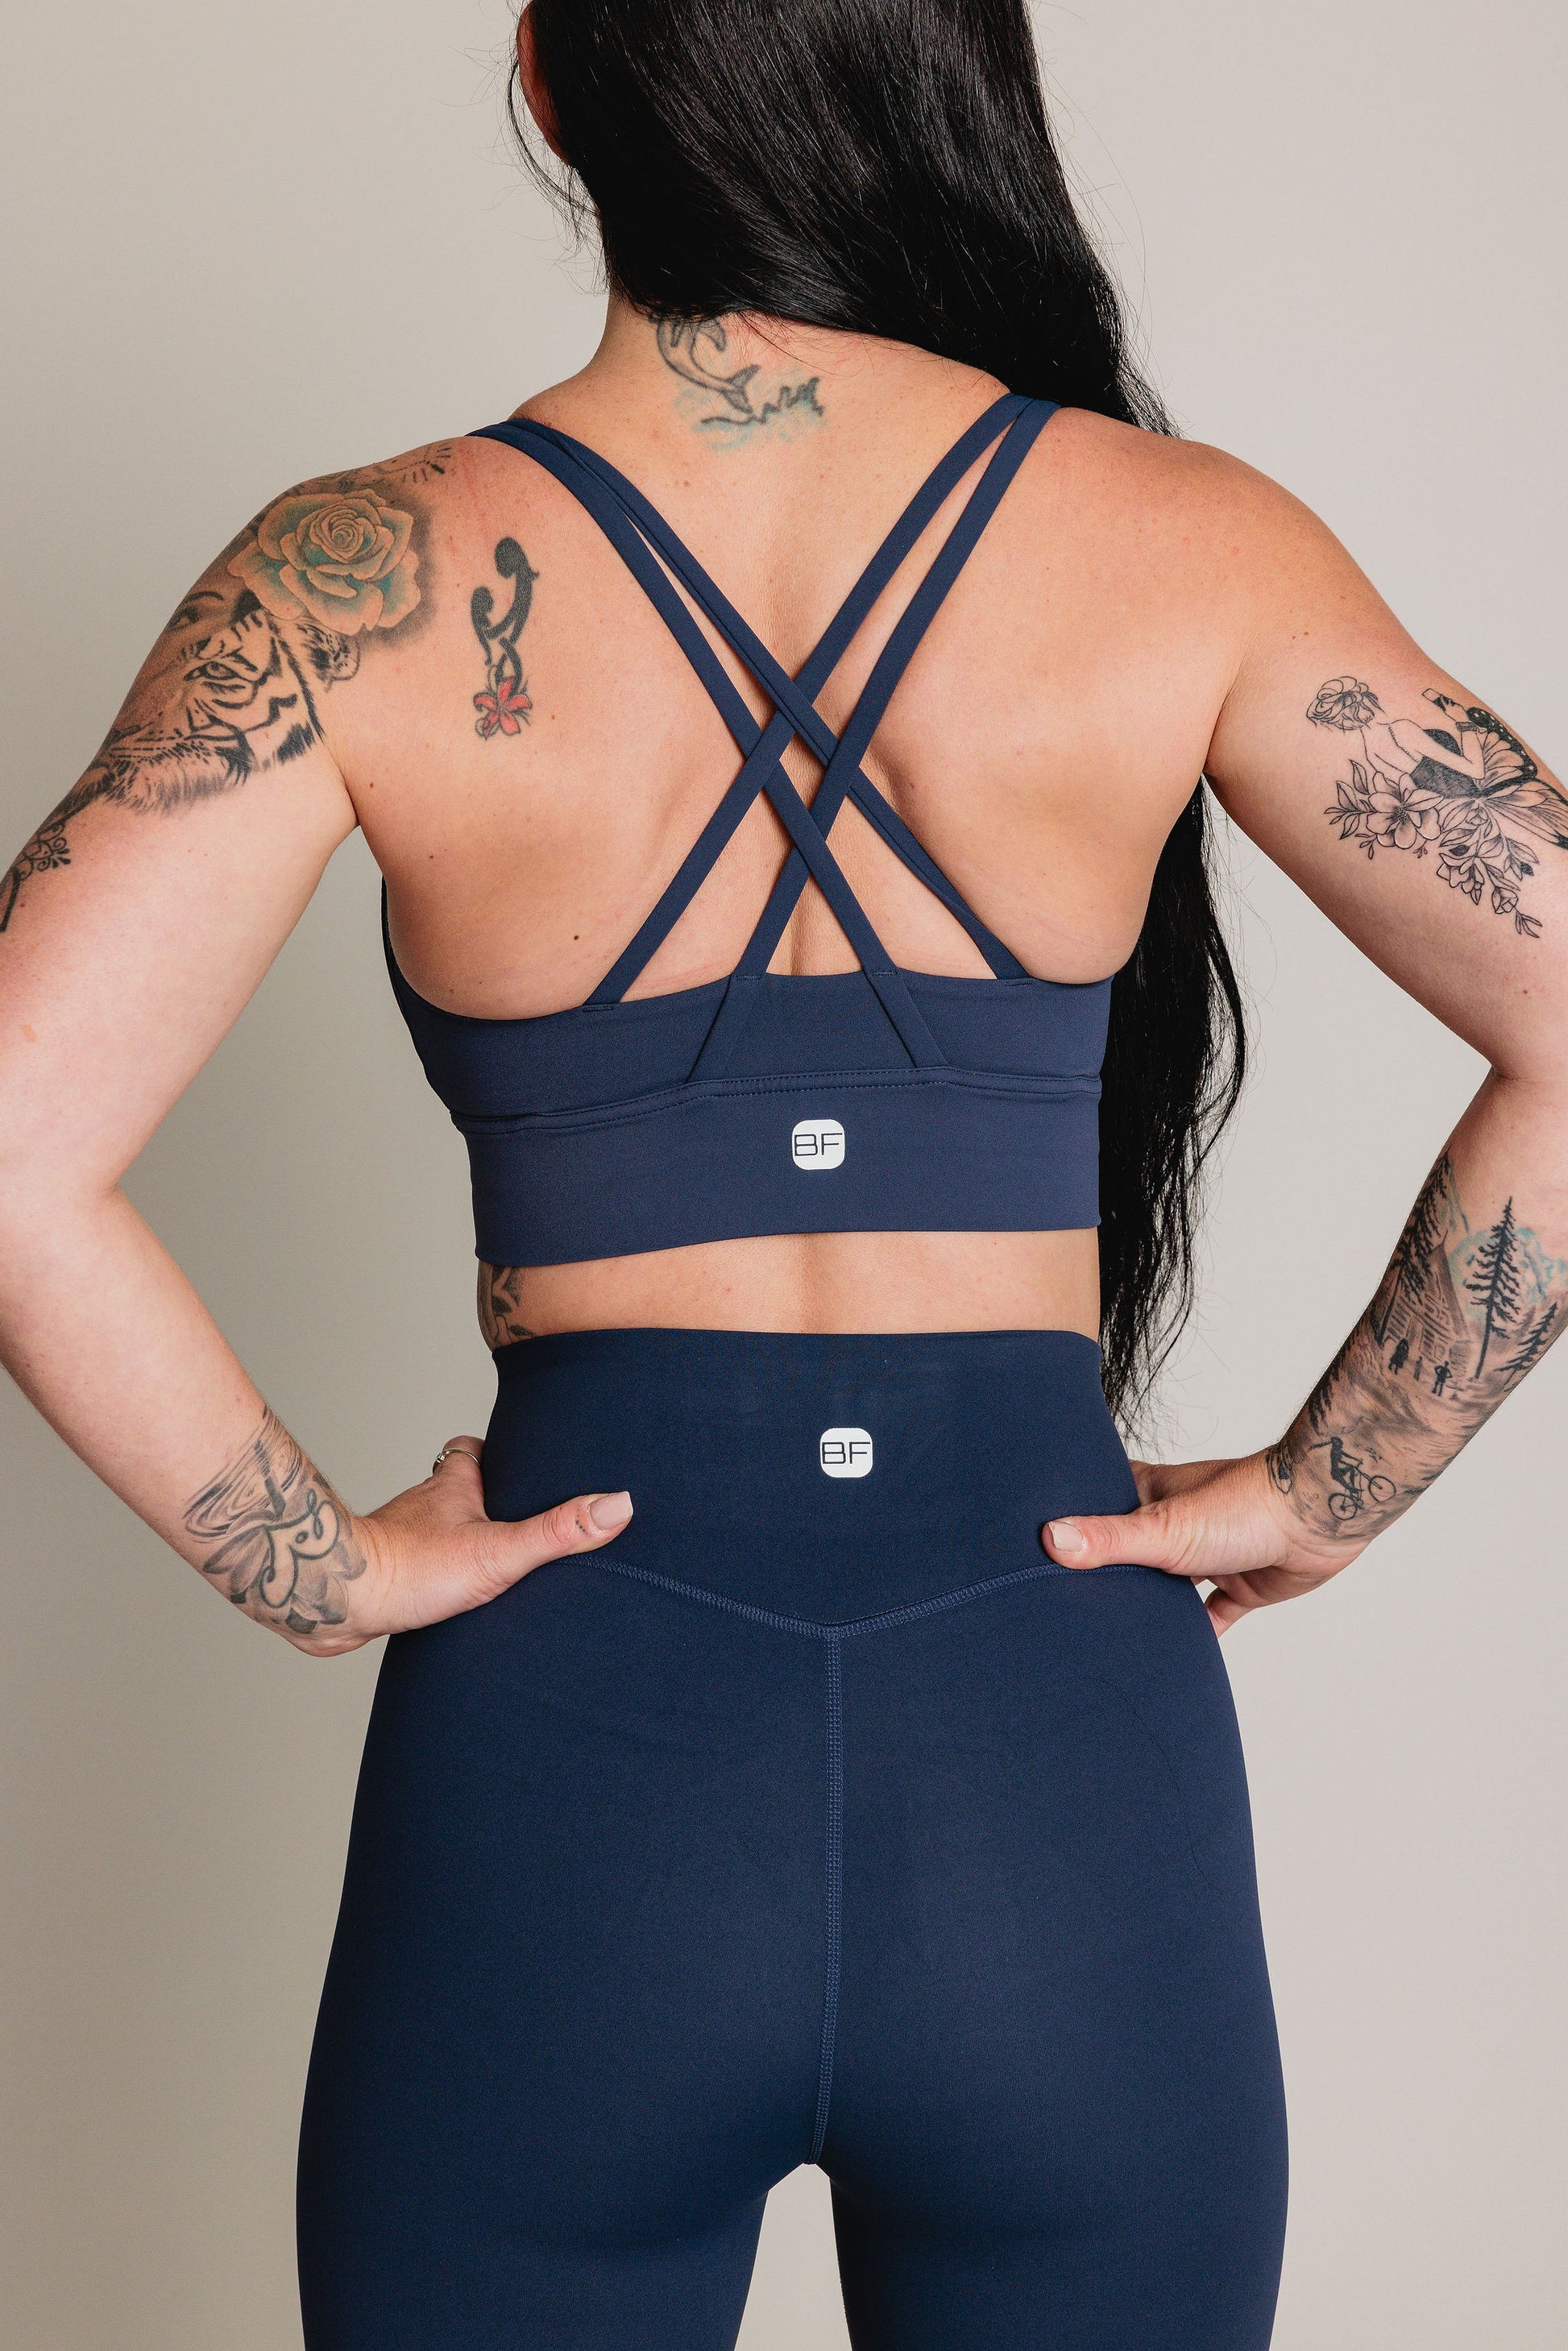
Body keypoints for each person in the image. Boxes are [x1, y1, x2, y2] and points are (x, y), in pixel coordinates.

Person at [1, 2, 1562, 2344]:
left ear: (551, 82)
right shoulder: (1185, 545)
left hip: (568, 1779)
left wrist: (327, 1573)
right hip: (1059, 1758)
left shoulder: (356, 577)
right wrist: (1327, 1491)